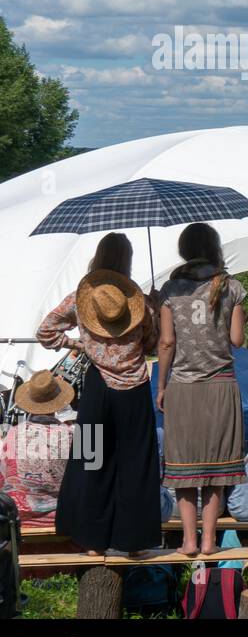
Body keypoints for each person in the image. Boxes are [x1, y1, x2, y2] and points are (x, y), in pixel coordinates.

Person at [37, 232, 161, 556]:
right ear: (128, 260)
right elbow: (150, 345)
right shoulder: (140, 303)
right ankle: (133, 543)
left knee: (92, 460)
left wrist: (78, 344)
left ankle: (92, 541)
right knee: (136, 464)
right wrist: (156, 308)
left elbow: (45, 331)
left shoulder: (81, 299)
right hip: (134, 393)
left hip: (96, 392)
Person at [156, 222, 248, 557]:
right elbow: (237, 340)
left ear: (184, 249)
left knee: (184, 466)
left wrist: (162, 386)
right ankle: (210, 540)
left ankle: (189, 541)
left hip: (183, 387)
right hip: (221, 386)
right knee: (216, 466)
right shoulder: (231, 287)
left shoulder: (171, 290)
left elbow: (166, 342)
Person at [0, 370, 76, 524]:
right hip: (63, 516)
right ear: (57, 404)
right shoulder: (71, 436)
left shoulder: (13, 434)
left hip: (17, 517)